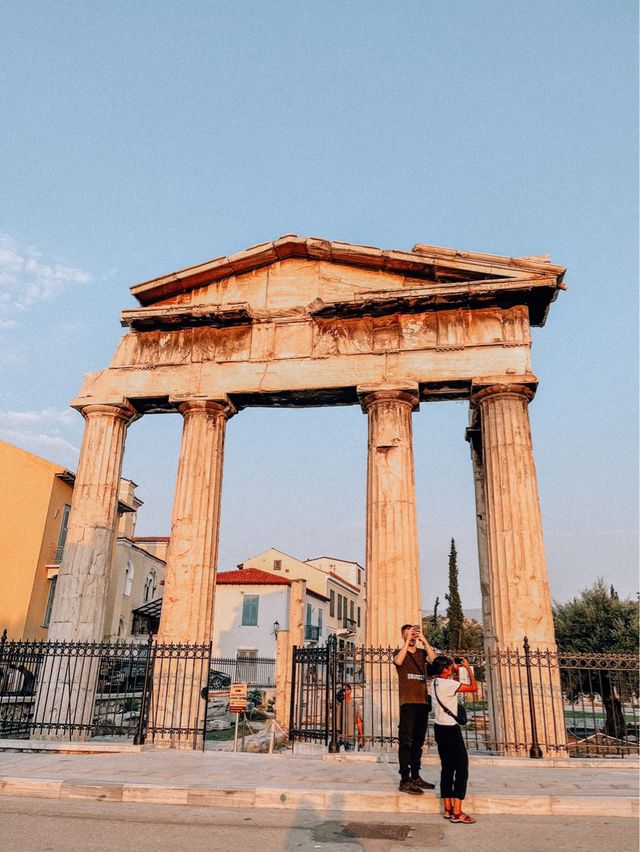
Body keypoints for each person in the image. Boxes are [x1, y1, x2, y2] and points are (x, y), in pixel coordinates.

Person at [430, 654, 478, 824]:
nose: (452, 668)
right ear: (445, 669)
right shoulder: (449, 684)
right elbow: (473, 688)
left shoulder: (434, 683)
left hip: (439, 729)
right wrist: (466, 667)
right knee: (462, 768)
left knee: (447, 768)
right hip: (451, 730)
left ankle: (448, 809)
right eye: (449, 666)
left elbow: (454, 688)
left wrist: (454, 671)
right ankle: (457, 812)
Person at [393, 623, 437, 794]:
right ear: (403, 636)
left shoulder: (422, 653)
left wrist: (424, 640)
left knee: (418, 743)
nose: (411, 636)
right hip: (408, 702)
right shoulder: (400, 653)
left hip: (422, 702)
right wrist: (407, 641)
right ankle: (405, 779)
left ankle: (416, 776)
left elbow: (434, 660)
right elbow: (398, 661)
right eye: (408, 634)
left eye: (413, 634)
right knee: (406, 742)